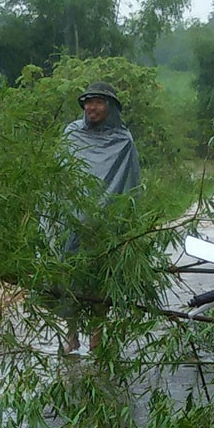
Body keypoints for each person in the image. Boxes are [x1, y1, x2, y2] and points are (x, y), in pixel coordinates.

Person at [58, 80, 141, 352]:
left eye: (99, 102)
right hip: (73, 221)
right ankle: (71, 336)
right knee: (69, 276)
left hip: (106, 224)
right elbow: (58, 176)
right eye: (88, 102)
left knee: (101, 280)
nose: (92, 107)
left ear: (111, 107)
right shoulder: (72, 134)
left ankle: (97, 335)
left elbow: (130, 185)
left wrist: (123, 220)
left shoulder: (123, 141)